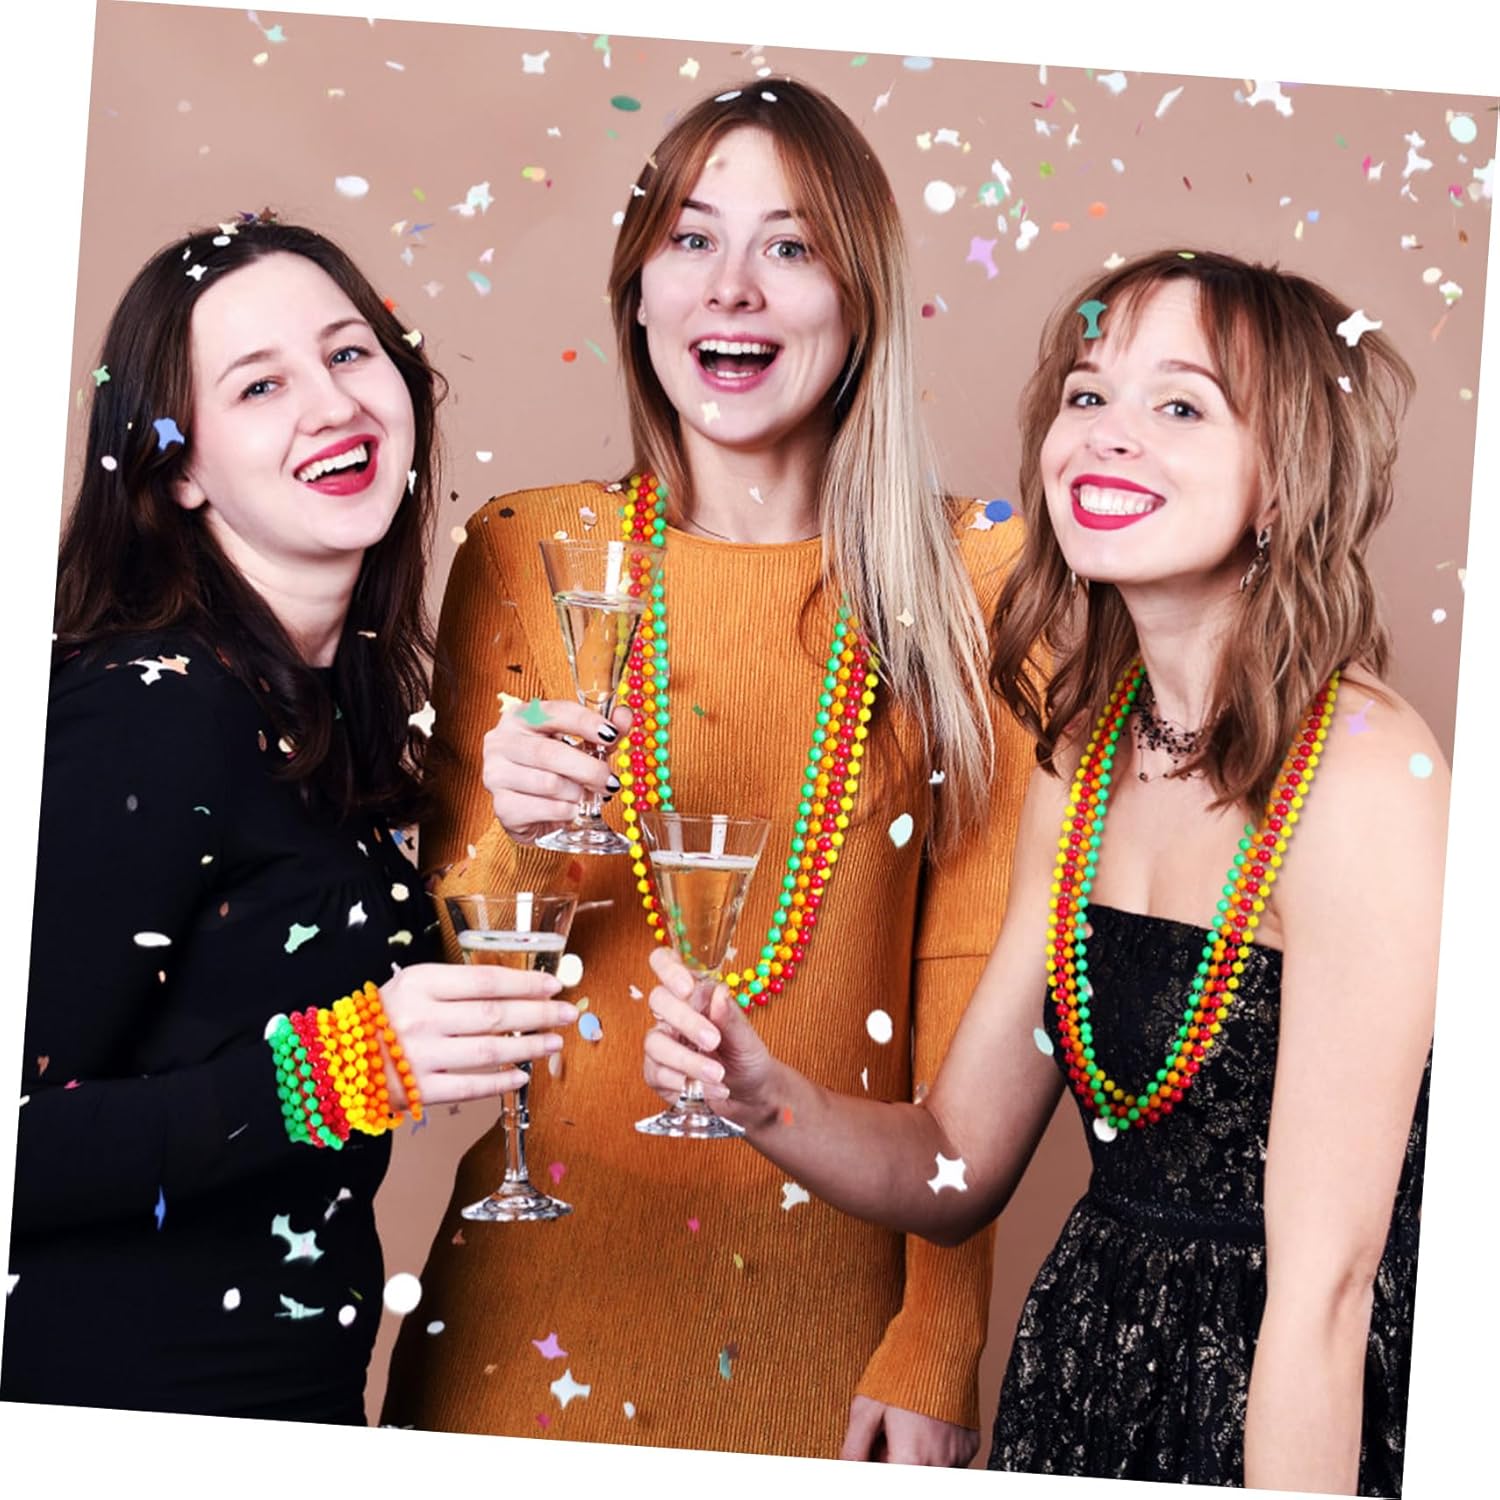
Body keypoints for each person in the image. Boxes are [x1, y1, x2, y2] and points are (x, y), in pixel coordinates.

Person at [645, 249, 1441, 1495]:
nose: (1108, 435)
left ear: (1286, 480)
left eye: (1180, 405)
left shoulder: (1364, 771)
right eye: (1087, 394)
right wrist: (767, 1099)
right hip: (1088, 1381)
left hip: (1289, 1407)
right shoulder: (1086, 751)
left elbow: (1329, 1293)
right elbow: (955, 1163)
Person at [381, 81, 1033, 1462]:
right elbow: (464, 987)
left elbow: (978, 992)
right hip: (533, 1310)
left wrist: (937, 1337)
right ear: (637, 293)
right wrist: (524, 830)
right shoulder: (523, 550)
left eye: (790, 246)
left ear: (861, 301)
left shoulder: (980, 573)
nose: (732, 287)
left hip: (832, 1340)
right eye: (691, 239)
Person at [1, 216, 578, 1423]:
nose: (332, 405)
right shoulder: (149, 713)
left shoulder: (323, 712)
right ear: (177, 469)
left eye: (348, 353)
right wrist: (342, 1069)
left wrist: (515, 826)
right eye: (259, 385)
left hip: (292, 1403)